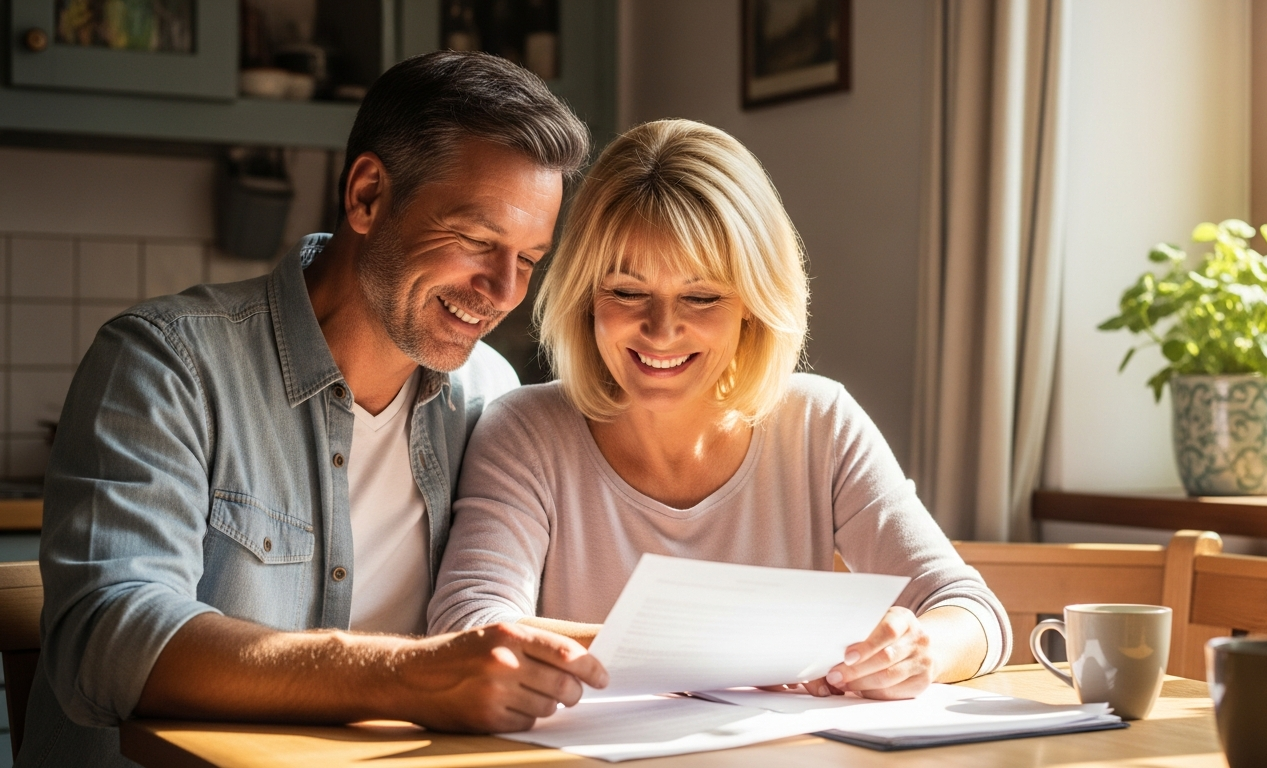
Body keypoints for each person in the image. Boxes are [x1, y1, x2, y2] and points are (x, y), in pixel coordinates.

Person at [20, 52, 608, 768]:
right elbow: (108, 640)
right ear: (366, 196)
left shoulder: (490, 396)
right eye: (477, 242)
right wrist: (411, 678)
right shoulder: (166, 362)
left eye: (530, 258)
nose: (503, 290)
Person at [428, 119, 1012, 699]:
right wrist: (720, 656)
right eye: (627, 292)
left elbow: (972, 612)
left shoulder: (819, 423)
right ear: (586, 298)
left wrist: (918, 651)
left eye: (701, 296)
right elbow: (467, 627)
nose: (660, 331)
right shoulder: (525, 431)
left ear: (752, 305)